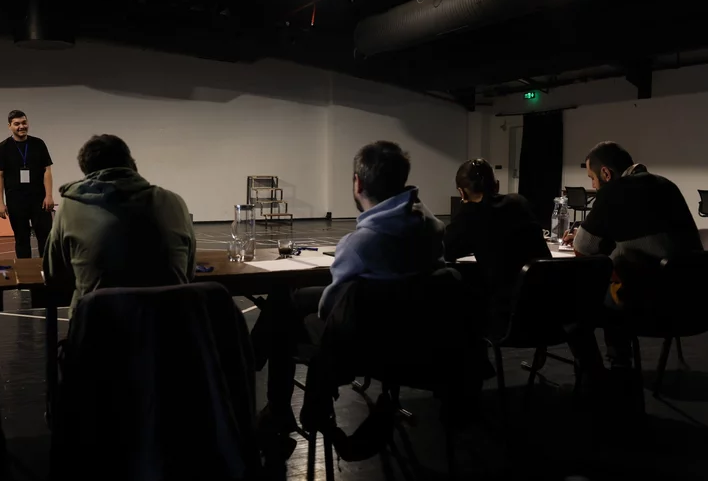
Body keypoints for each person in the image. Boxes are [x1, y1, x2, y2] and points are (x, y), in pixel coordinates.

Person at [252, 141, 446, 433]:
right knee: (288, 300)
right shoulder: (431, 229)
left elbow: (330, 309)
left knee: (281, 317)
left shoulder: (359, 244)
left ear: (358, 183)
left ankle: (269, 393)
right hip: (414, 335)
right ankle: (258, 363)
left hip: (365, 342)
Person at [563, 141, 701, 368]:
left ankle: (601, 371)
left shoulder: (613, 191)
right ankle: (619, 365)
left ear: (606, 173)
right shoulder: (667, 185)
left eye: (592, 178)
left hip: (650, 306)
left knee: (573, 301)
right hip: (693, 301)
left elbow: (583, 249)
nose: (593, 184)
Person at [43, 134, 196, 316]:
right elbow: (189, 271)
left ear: (86, 171)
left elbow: (55, 276)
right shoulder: (174, 202)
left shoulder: (70, 207)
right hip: (170, 324)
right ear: (131, 163)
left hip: (100, 326)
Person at [444, 158, 550, 326]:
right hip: (546, 306)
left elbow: (446, 250)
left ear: (461, 193)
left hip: (504, 314)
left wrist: (464, 209)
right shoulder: (519, 202)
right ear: (497, 185)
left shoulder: (469, 216)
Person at [0, 110, 55, 258]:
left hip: (40, 200)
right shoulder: (2, 148)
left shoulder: (38, 144)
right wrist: (0, 203)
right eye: (17, 124)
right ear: (9, 126)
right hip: (15, 200)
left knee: (46, 237)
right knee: (21, 239)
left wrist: (49, 195)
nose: (21, 126)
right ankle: (24, 270)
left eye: (24, 122)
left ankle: (48, 269)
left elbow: (47, 171)